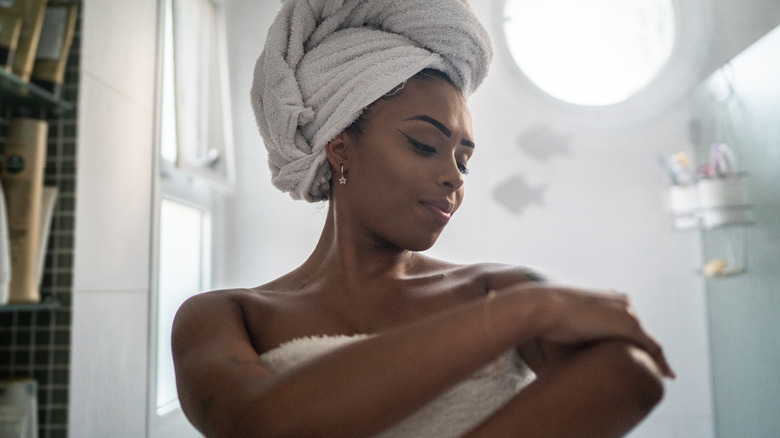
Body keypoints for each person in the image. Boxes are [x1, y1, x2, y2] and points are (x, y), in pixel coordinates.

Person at [172, 1, 675, 437]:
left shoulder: (497, 286)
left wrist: (524, 302)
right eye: (425, 145)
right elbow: (257, 426)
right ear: (340, 148)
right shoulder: (223, 316)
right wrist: (528, 311)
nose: (454, 177)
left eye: (464, 160)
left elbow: (631, 377)